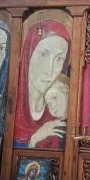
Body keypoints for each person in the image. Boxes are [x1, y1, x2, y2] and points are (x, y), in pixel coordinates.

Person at [14, 21, 71, 149]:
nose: (49, 70)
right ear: (28, 55)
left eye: (59, 59)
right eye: (44, 54)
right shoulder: (10, 108)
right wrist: (34, 139)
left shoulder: (58, 110)